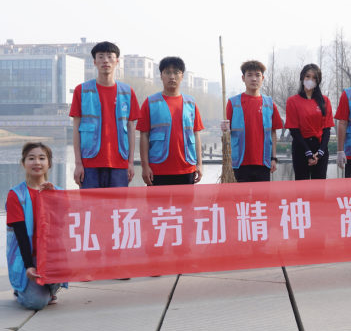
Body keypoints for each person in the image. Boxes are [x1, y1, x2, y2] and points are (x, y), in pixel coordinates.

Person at [69, 41, 140, 188]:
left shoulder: (127, 92)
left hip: (119, 163)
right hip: (89, 163)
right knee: (90, 202)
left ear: (117, 61)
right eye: (100, 57)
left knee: (118, 203)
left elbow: (131, 129)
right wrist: (78, 163)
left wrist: (130, 162)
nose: (105, 60)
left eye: (109, 56)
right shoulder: (81, 91)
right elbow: (76, 128)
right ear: (94, 62)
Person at [5, 142, 67, 310]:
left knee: (47, 289)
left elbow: (63, 227)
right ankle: (22, 291)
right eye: (31, 158)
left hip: (50, 255)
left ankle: (49, 288)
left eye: (42, 158)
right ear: (23, 163)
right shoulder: (16, 195)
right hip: (27, 256)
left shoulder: (58, 191)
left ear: (49, 163)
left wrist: (53, 198)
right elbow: (21, 234)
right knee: (36, 303)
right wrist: (28, 266)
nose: (37, 163)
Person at [137, 57, 204, 186]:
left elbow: (196, 134)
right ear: (161, 76)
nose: (172, 76)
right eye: (167, 72)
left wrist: (199, 164)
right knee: (157, 200)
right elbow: (144, 135)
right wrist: (145, 167)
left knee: (186, 200)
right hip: (158, 169)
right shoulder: (150, 102)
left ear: (182, 76)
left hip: (187, 168)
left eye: (176, 72)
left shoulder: (191, 103)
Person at [222, 60, 283, 182]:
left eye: (257, 75)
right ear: (243, 78)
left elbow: (273, 133)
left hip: (263, 162)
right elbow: (227, 133)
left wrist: (273, 158)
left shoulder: (269, 104)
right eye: (249, 75)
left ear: (262, 78)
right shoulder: (233, 103)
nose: (254, 79)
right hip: (240, 162)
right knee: (241, 194)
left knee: (262, 194)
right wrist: (224, 129)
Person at [285, 64, 334, 180]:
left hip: (319, 148)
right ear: (302, 77)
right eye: (307, 76)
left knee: (319, 185)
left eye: (314, 78)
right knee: (302, 185)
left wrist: (321, 151)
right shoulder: (292, 101)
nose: (310, 80)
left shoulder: (325, 101)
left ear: (318, 81)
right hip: (301, 147)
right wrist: (307, 152)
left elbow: (327, 129)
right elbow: (294, 130)